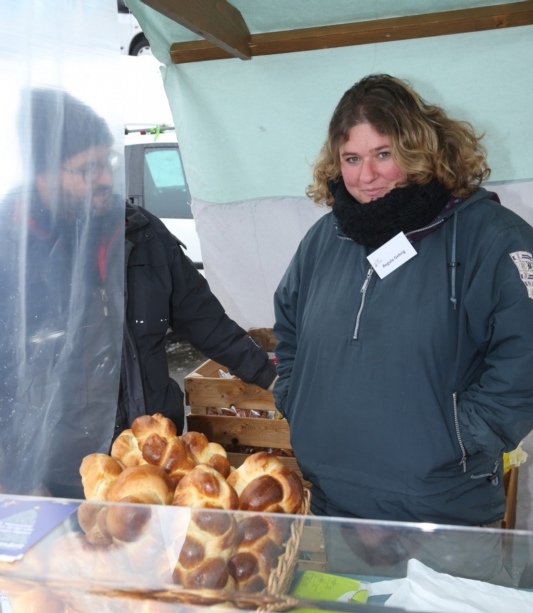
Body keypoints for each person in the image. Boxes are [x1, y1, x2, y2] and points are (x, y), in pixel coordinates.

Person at [273, 74, 533, 536]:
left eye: (383, 154)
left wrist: (463, 438)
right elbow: (289, 330)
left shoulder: (490, 236)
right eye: (352, 158)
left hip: (443, 509)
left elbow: (525, 358)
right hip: (335, 502)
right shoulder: (325, 238)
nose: (366, 176)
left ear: (419, 150)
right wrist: (298, 401)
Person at [0, 88, 276, 499]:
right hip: (63, 473)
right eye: (86, 169)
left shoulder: (141, 232)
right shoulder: (11, 249)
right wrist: (13, 474)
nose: (105, 179)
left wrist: (272, 376)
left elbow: (204, 320)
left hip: (152, 456)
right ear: (45, 175)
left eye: (106, 163)